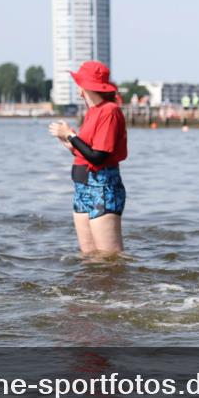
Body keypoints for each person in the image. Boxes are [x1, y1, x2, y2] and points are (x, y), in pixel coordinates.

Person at [48, 61, 128, 255]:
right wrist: (70, 144)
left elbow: (99, 157)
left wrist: (70, 135)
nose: (77, 87)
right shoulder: (92, 111)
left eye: (79, 82)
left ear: (86, 86)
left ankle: (123, 277)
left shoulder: (109, 111)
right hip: (82, 187)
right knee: (89, 255)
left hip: (102, 187)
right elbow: (88, 153)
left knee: (109, 257)